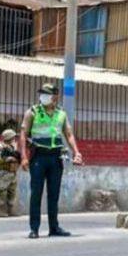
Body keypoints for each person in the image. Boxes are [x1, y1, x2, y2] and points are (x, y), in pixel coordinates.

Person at [19, 83, 83, 239]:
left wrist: (77, 152)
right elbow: (23, 134)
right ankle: (34, 229)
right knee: (36, 193)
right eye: (42, 93)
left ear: (54, 97)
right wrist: (24, 157)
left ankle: (54, 227)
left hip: (55, 157)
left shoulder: (61, 113)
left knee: (54, 194)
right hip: (38, 157)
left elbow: (69, 134)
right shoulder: (32, 112)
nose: (43, 96)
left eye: (46, 94)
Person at [0, 128, 21, 217]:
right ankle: (2, 211)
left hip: (12, 173)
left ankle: (12, 210)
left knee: (12, 192)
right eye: (13, 137)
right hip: (4, 173)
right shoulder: (1, 148)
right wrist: (7, 159)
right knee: (2, 191)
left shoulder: (12, 148)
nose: (14, 139)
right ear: (9, 138)